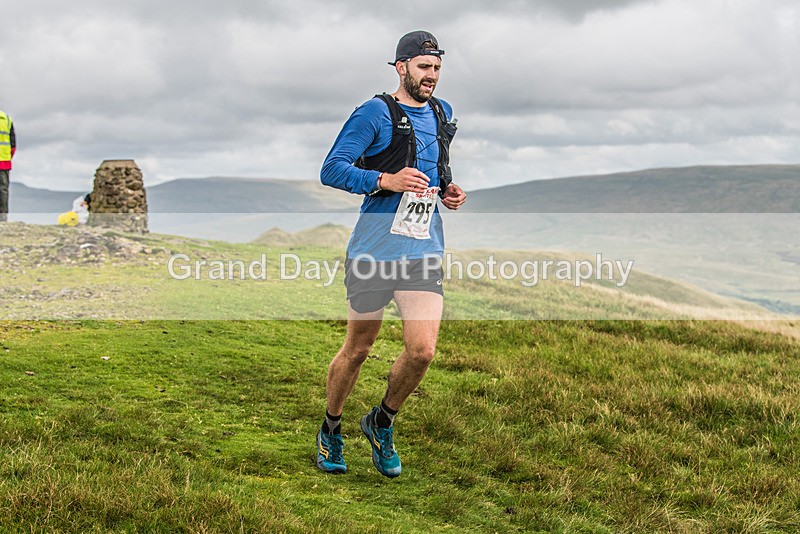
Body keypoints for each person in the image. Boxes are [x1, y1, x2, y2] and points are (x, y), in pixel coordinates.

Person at [317, 30, 467, 477]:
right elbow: (331, 169)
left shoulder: (443, 113)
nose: (431, 76)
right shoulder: (373, 113)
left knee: (422, 351)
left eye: (437, 67)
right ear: (401, 67)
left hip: (422, 248)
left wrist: (450, 191)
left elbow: (432, 169)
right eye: (424, 67)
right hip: (374, 249)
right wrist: (385, 180)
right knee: (359, 348)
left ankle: (381, 421)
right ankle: (331, 429)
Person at [0, 107, 16, 222]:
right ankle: (3, 218)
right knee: (3, 190)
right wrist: (7, 157)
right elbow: (13, 144)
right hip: (4, 162)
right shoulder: (6, 119)